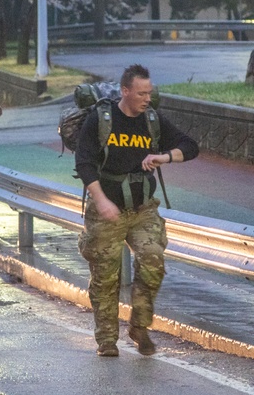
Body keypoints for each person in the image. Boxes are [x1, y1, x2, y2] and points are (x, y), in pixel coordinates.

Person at [74, 64, 199, 357]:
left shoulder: (152, 120)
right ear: (125, 91)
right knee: (106, 275)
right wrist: (101, 200)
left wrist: (164, 157)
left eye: (149, 93)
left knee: (153, 259)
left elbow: (190, 146)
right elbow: (84, 163)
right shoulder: (101, 120)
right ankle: (106, 340)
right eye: (141, 93)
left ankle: (140, 327)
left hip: (143, 208)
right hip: (106, 209)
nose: (146, 98)